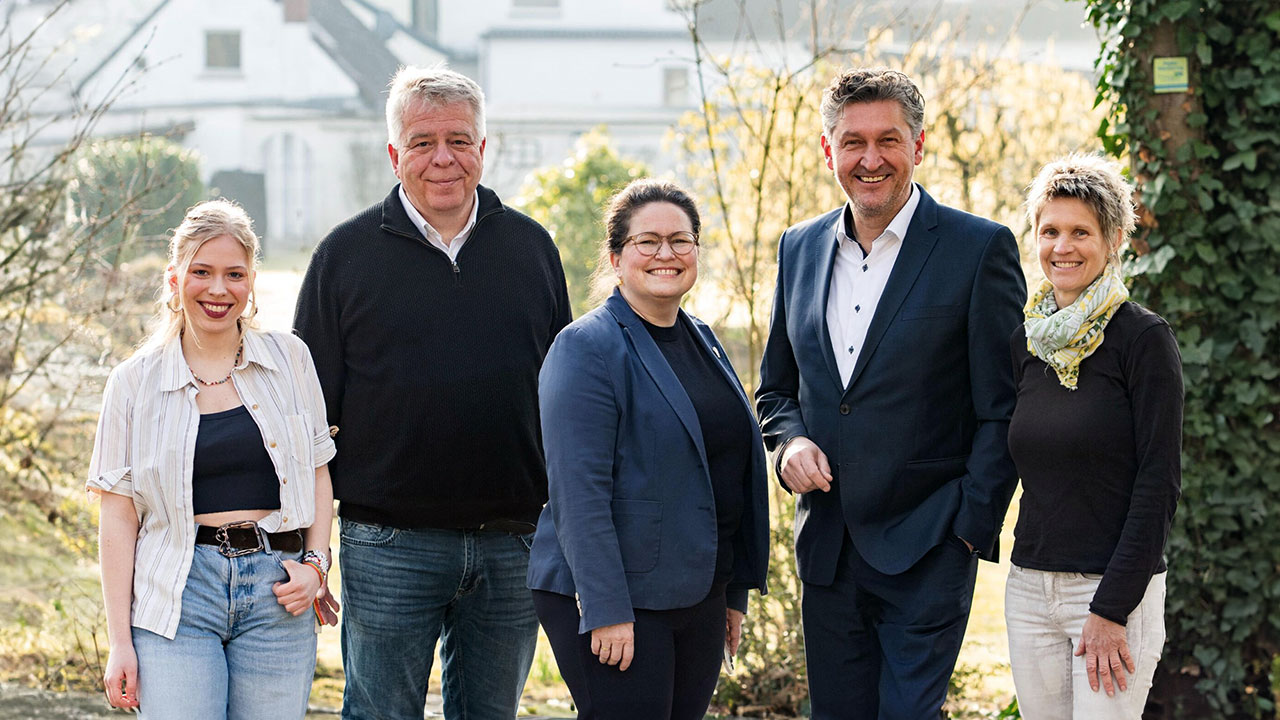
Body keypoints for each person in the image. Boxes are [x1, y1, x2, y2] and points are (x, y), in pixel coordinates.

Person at [293, 65, 571, 720]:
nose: (442, 158)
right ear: (394, 154)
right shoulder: (344, 257)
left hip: (512, 541)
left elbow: (565, 398)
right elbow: (303, 419)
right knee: (378, 713)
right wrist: (310, 546)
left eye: (458, 139)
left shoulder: (531, 249)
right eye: (422, 142)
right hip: (389, 543)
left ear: (482, 147)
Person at [755, 67, 1026, 719]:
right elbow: (776, 389)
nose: (870, 160)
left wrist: (968, 527)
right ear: (828, 152)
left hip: (930, 545)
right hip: (827, 550)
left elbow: (1006, 407)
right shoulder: (797, 249)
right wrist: (788, 443)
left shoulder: (978, 249)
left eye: (889, 140)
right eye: (852, 143)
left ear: (919, 146)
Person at [527, 178, 769, 720]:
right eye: (647, 242)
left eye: (681, 241)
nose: (667, 254)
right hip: (615, 598)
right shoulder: (585, 347)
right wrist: (607, 609)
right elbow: (578, 493)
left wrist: (732, 591)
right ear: (616, 257)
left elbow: (725, 472)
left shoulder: (704, 339)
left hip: (698, 592)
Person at [89, 200, 337, 718]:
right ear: (175, 278)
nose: (218, 289)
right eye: (202, 272)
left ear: (251, 282)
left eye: (234, 274)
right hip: (176, 595)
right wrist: (119, 642)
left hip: (278, 592)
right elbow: (117, 516)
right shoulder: (132, 383)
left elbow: (318, 470)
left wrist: (316, 565)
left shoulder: (291, 359)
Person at [1005, 154, 1182, 719]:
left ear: (1112, 239)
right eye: (1049, 230)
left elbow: (1158, 483)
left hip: (1111, 594)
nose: (1063, 246)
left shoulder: (1144, 339)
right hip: (1029, 588)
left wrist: (1110, 609)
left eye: (1081, 232)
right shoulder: (1027, 342)